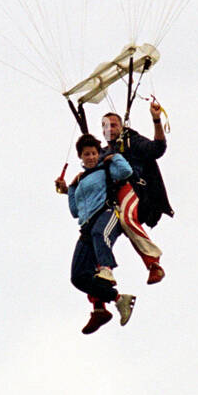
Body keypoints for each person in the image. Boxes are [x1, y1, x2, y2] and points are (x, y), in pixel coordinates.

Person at [55, 134, 137, 334]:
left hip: (106, 214)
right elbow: (75, 211)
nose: (90, 157)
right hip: (86, 226)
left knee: (100, 234)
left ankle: (106, 268)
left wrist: (113, 157)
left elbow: (126, 171)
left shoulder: (105, 169)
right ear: (81, 157)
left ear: (98, 153)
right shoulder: (79, 180)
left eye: (93, 153)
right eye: (86, 154)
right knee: (78, 276)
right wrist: (68, 189)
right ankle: (118, 300)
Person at [102, 98, 173, 286]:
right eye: (105, 126)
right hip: (109, 198)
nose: (109, 128)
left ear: (121, 126)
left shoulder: (131, 141)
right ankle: (100, 294)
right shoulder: (100, 153)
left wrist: (156, 120)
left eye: (113, 125)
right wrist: (68, 189)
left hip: (134, 190)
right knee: (96, 233)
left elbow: (157, 148)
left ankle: (153, 263)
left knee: (127, 219)